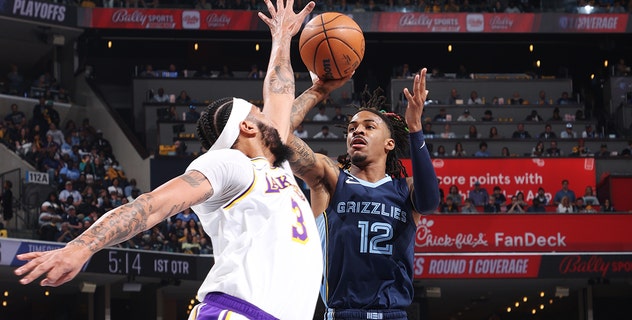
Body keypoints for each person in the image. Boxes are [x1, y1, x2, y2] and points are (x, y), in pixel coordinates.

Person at [16, 3, 323, 320]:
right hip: (239, 312)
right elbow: (152, 205)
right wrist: (82, 247)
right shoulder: (230, 164)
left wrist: (285, 39)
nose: (269, 117)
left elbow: (280, 92)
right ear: (247, 127)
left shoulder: (277, 164)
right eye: (258, 114)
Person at [284, 68, 439, 319]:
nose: (357, 131)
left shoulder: (405, 189)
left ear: (390, 144)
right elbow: (277, 135)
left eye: (369, 127)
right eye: (352, 128)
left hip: (394, 314)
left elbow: (431, 202)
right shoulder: (331, 179)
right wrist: (318, 91)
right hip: (343, 313)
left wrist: (415, 128)